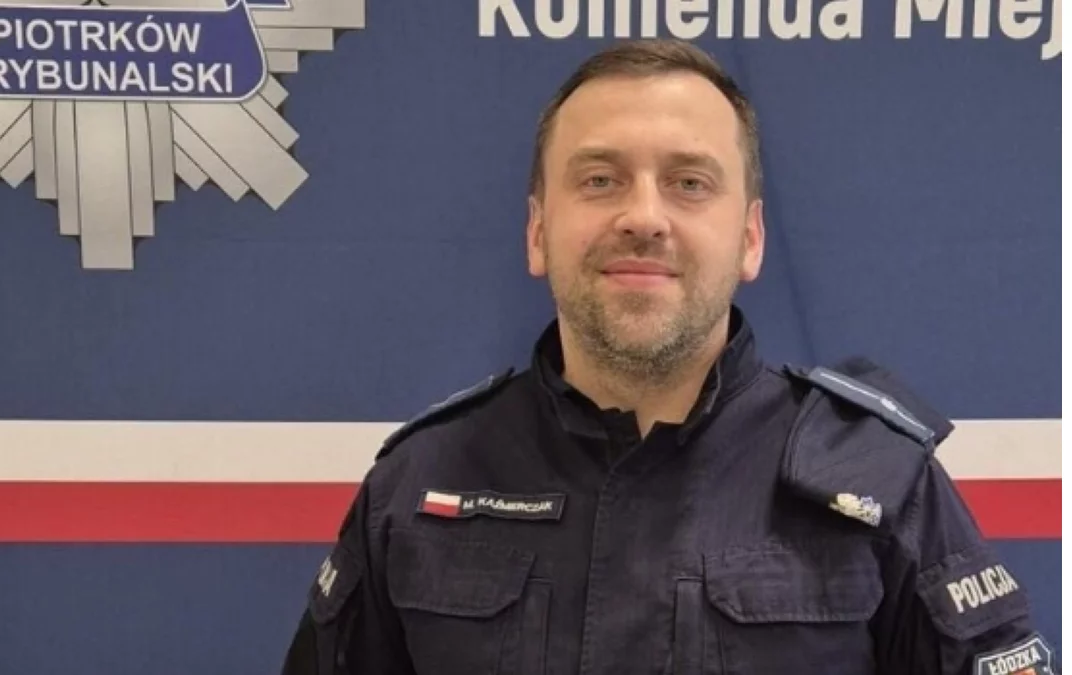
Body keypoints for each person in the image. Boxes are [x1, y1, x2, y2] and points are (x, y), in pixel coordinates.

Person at [279, 39, 1057, 675]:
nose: (644, 216)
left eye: (689, 182)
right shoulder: (418, 484)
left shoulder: (882, 485)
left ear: (749, 238)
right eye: (599, 179)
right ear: (538, 232)